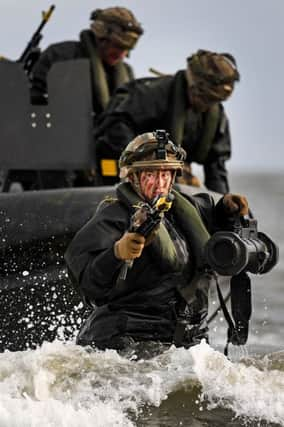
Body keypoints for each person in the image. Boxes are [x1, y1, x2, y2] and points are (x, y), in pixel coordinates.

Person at [65, 130, 249, 355]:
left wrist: (227, 213)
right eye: (152, 175)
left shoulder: (191, 210)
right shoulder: (113, 218)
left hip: (184, 342)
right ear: (133, 177)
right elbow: (90, 285)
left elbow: (220, 243)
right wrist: (116, 254)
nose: (161, 183)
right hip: (124, 343)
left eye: (167, 174)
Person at [94, 49, 240, 194]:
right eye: (203, 96)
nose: (205, 104)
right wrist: (145, 164)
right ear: (193, 85)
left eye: (213, 100)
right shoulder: (152, 95)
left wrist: (224, 204)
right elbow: (116, 127)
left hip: (167, 179)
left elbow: (216, 167)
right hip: (115, 169)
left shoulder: (215, 116)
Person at [31, 6, 144, 113]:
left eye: (126, 49)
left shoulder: (127, 75)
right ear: (100, 38)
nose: (121, 54)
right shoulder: (61, 56)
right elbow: (35, 98)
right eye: (116, 46)